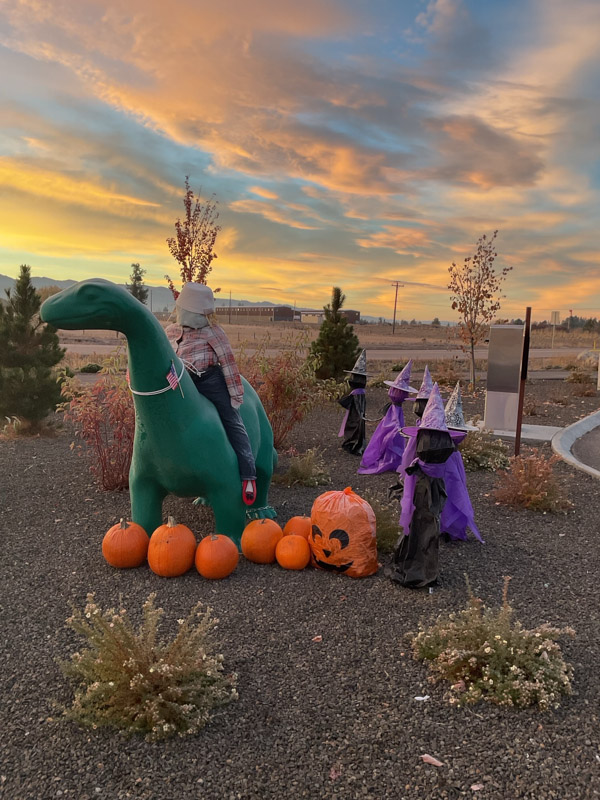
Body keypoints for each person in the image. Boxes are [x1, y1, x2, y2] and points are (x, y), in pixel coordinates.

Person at [165, 282, 257, 505]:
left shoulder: (213, 332)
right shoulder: (172, 331)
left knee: (232, 421)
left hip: (209, 380)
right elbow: (165, 359)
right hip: (182, 381)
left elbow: (228, 362)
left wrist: (235, 394)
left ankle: (248, 476)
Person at [358, 360, 417, 474]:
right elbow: (394, 425)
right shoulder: (394, 409)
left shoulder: (394, 409)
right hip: (394, 415)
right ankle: (389, 459)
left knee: (389, 437)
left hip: (394, 414)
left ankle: (391, 458)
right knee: (388, 437)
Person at [338, 349, 369, 455]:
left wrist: (340, 399)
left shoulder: (357, 393)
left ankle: (353, 444)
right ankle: (354, 443)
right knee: (355, 425)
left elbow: (345, 402)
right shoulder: (360, 393)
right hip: (356, 415)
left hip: (356, 417)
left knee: (354, 426)